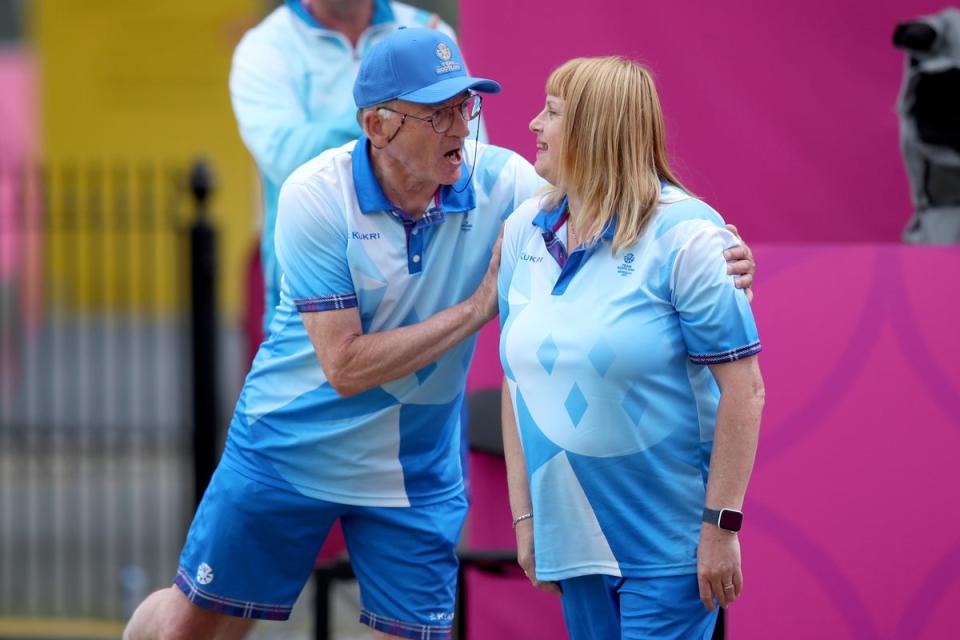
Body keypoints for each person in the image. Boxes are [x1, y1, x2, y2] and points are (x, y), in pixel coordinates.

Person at [124, 31, 755, 640]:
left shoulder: (508, 185)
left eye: (465, 105)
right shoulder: (317, 196)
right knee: (190, 627)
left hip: (414, 467)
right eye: (438, 113)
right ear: (378, 127)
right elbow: (342, 367)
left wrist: (720, 243)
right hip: (291, 446)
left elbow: (621, 195)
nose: (461, 127)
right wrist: (478, 308)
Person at [498, 56, 765, 639]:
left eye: (552, 111)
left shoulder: (692, 236)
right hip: (572, 540)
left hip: (669, 548)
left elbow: (745, 391)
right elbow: (517, 383)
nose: (532, 125)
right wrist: (525, 517)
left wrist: (721, 527)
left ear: (595, 130)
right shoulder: (523, 227)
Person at [230, 0, 482, 333]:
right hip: (310, 293)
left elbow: (466, 149)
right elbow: (288, 157)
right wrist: (399, 98)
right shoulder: (264, 46)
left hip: (421, 288)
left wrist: (400, 116)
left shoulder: (426, 30)